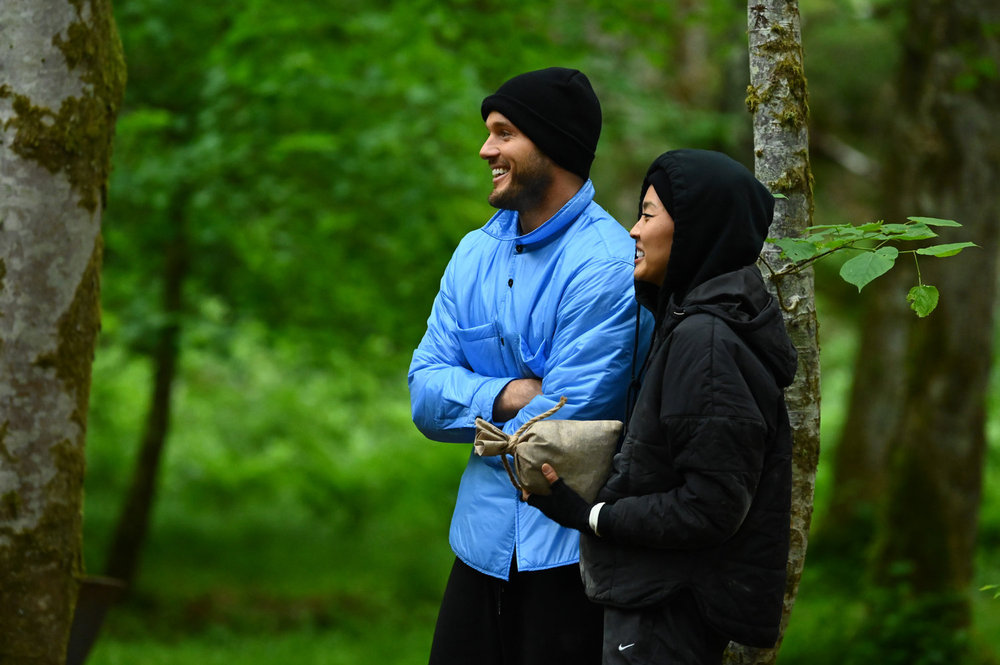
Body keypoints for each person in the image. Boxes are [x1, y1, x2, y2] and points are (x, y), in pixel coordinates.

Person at [408, 67, 652, 665]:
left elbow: (566, 431)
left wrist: (469, 394)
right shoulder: (473, 253)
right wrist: (510, 393)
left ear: (553, 144)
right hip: (479, 546)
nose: (486, 149)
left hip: (569, 557)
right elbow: (423, 394)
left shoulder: (606, 265)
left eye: (504, 132)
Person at [527, 149, 797, 665]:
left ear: (693, 228)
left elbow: (711, 504)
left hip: (668, 604)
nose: (632, 230)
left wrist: (594, 516)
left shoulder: (709, 340)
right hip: (659, 597)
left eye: (648, 215)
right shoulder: (691, 323)